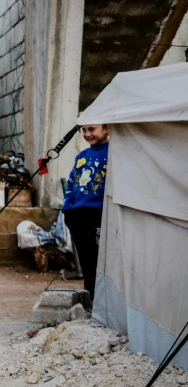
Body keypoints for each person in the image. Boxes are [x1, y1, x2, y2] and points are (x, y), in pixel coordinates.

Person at [62, 124, 109, 301]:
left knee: (98, 261)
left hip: (98, 215)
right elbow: (71, 183)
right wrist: (68, 210)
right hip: (78, 215)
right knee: (86, 260)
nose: (87, 134)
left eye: (92, 129)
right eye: (84, 130)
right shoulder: (81, 157)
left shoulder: (114, 154)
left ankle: (100, 301)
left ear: (107, 129)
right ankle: (90, 299)